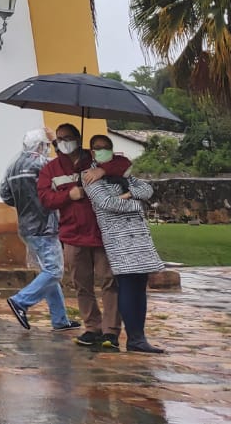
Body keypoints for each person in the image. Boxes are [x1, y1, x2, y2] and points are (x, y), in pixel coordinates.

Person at [37, 123, 132, 347]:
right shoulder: (51, 169)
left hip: (101, 232)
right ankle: (92, 327)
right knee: (82, 284)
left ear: (78, 139)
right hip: (73, 234)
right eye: (59, 139)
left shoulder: (95, 159)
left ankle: (111, 330)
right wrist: (69, 195)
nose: (63, 142)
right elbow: (45, 198)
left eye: (68, 137)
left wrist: (102, 170)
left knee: (109, 281)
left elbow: (124, 163)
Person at [82, 142, 167, 354]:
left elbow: (147, 189)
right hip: (118, 237)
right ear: (92, 151)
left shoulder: (122, 172)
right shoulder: (89, 176)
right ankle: (134, 337)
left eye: (106, 146)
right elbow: (108, 203)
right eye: (98, 147)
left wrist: (128, 194)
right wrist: (137, 203)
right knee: (128, 283)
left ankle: (139, 336)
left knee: (140, 284)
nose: (103, 150)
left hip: (138, 237)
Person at [0, 128, 79, 332]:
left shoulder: (12, 167)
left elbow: (6, 196)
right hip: (45, 224)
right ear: (41, 145)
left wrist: (26, 201)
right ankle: (21, 301)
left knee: (48, 270)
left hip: (26, 225)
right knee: (54, 270)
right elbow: (65, 169)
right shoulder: (43, 164)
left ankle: (60, 319)